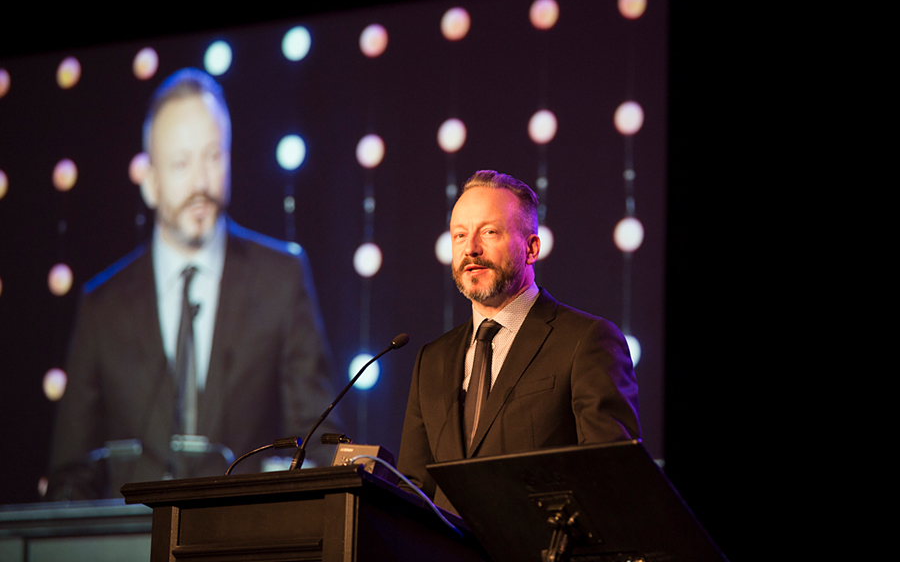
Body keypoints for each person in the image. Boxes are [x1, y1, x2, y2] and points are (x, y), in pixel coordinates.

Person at [48, 68, 338, 499]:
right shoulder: (102, 304)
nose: (201, 183)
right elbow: (70, 474)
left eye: (213, 156)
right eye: (181, 163)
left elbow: (319, 443)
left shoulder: (281, 277)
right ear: (149, 181)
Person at [397, 170, 641, 514]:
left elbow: (611, 478)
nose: (471, 249)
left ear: (531, 248)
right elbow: (414, 490)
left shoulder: (587, 341)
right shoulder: (431, 360)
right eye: (459, 235)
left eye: (489, 232)